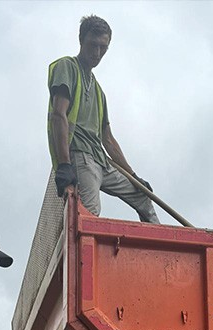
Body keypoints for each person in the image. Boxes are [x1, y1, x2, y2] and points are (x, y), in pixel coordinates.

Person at [48, 14, 159, 222]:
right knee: (89, 213)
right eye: (93, 45)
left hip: (102, 160)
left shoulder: (99, 92)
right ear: (81, 40)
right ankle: (83, 252)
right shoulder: (67, 67)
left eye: (103, 48)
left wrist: (133, 177)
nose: (97, 53)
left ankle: (161, 249)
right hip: (81, 156)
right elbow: (58, 115)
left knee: (143, 196)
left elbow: (108, 139)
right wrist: (64, 164)